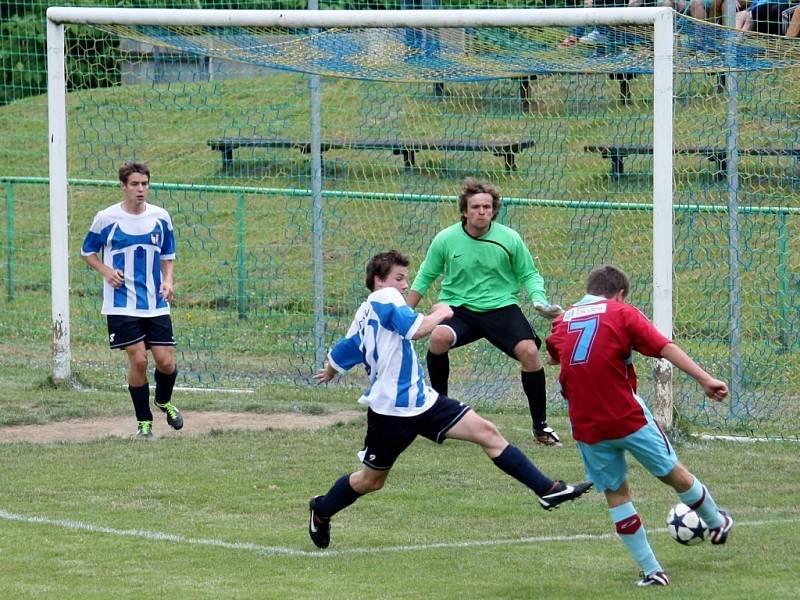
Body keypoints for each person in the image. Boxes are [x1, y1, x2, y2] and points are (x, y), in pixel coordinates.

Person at [307, 250, 592, 549]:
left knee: (487, 433)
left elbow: (349, 345)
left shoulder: (366, 310)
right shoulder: (384, 298)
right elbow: (415, 329)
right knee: (370, 481)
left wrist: (330, 370)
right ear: (379, 281)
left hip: (423, 400)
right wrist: (442, 313)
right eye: (399, 278)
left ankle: (548, 489)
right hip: (392, 410)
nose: (405, 285)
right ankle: (322, 508)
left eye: (407, 279)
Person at [545, 265, 733, 587]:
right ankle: (716, 522)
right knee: (674, 474)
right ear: (619, 294)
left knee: (617, 494)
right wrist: (705, 379)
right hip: (627, 416)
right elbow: (664, 347)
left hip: (587, 424)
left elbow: (553, 356)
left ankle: (652, 571)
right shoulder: (621, 312)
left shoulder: (562, 322)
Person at [406, 178, 563, 446]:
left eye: (487, 207)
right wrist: (405, 313)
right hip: (459, 308)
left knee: (530, 352)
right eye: (476, 206)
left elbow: (529, 274)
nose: (482, 211)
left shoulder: (509, 238)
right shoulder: (446, 239)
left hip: (501, 307)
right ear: (464, 211)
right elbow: (425, 276)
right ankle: (440, 417)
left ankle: (541, 428)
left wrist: (539, 300)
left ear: (494, 210)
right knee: (438, 338)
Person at [81, 161, 183, 440]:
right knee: (138, 361)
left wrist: (168, 280)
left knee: (165, 361)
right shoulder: (106, 218)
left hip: (155, 302)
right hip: (121, 303)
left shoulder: (161, 217)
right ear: (124, 186)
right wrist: (105, 271)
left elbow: (167, 254)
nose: (141, 189)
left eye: (145, 184)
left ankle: (163, 401)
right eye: (135, 184)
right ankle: (144, 422)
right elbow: (87, 251)